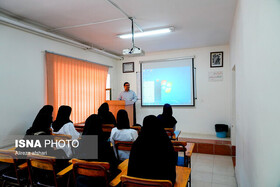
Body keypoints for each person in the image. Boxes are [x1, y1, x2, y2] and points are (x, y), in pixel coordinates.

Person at [127, 115, 177, 184]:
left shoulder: (136, 145)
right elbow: (172, 173)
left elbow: (130, 172)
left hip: (139, 184)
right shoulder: (166, 144)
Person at [75, 114, 119, 186]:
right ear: (99, 127)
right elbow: (113, 164)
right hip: (100, 182)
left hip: (82, 182)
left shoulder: (79, 144)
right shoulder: (104, 145)